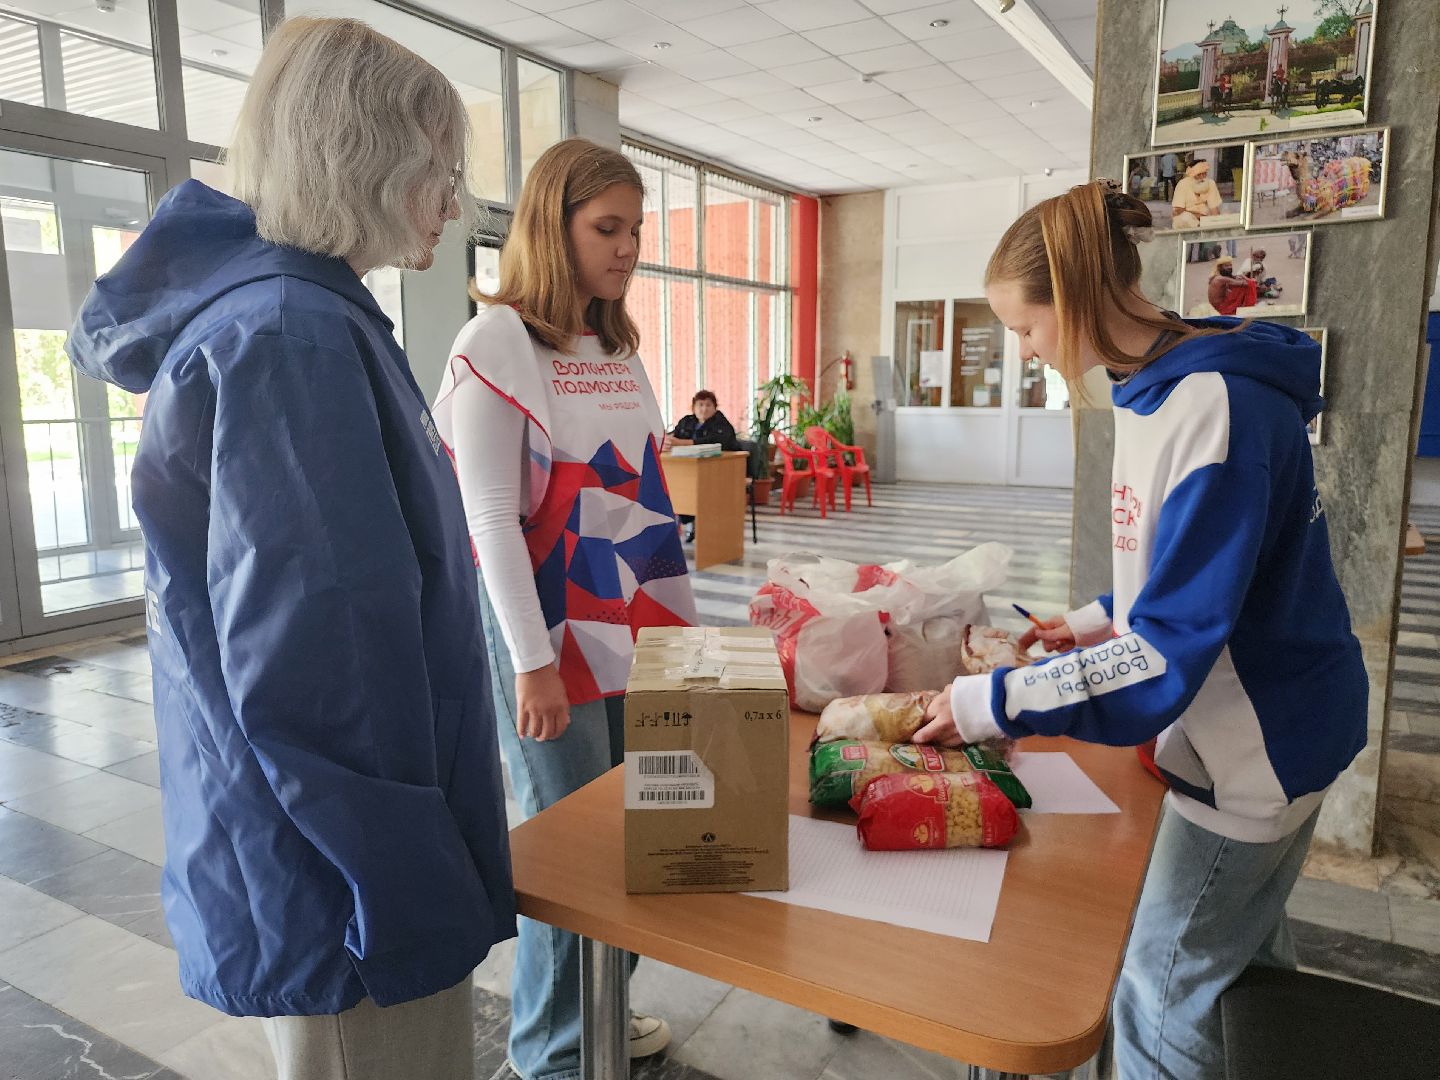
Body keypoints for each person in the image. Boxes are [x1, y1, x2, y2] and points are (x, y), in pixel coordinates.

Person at [64, 17, 516, 1080]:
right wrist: (403, 886)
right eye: (440, 169)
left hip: (318, 848)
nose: (454, 202)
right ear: (367, 160)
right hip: (343, 880)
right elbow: (323, 673)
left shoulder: (294, 315)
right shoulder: (290, 337)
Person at [914, 180, 1367, 1080]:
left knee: (1162, 993)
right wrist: (1082, 623)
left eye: (1027, 326)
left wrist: (988, 703)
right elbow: (1180, 577)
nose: (1023, 348)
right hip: (1283, 716)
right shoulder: (1154, 387)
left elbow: (1168, 653)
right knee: (1241, 969)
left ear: (1078, 297)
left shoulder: (1213, 406)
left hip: (1255, 744)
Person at [432, 138, 696, 1080]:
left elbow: (642, 492)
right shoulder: (496, 342)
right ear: (555, 226)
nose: (627, 248)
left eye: (635, 229)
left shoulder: (613, 345)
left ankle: (600, 1011)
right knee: (573, 857)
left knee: (635, 832)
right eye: (606, 228)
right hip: (551, 638)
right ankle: (551, 1053)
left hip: (639, 631)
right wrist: (531, 662)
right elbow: (488, 518)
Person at [665, 389, 740, 541]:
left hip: (719, 473)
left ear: (715, 407)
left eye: (708, 405)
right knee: (679, 487)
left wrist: (681, 443)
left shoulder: (721, 423)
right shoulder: (687, 421)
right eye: (700, 405)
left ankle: (699, 525)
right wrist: (667, 441)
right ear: (694, 407)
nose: (704, 409)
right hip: (688, 470)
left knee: (695, 489)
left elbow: (716, 442)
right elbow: (674, 436)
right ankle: (687, 521)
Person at [1170, 159, 1223, 229]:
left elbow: (1214, 209)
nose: (1202, 177)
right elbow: (1178, 211)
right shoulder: (1182, 184)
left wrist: (1215, 221)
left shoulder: (1210, 183)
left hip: (1206, 219)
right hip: (1186, 220)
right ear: (1191, 175)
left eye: (1204, 174)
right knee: (1185, 217)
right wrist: (1200, 216)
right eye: (1198, 174)